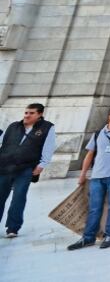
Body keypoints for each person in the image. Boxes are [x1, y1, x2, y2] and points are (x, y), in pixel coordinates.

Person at [68, 106, 110, 250]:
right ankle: (88, 237)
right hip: (97, 175)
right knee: (94, 207)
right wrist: (83, 174)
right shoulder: (98, 133)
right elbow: (90, 154)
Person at [0, 102, 55, 238]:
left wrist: (42, 164)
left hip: (25, 168)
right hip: (4, 166)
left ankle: (13, 227)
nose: (27, 115)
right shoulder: (13, 126)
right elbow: (2, 142)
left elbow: (49, 146)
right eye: (26, 112)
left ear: (40, 114)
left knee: (19, 197)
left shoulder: (47, 128)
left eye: (31, 113)